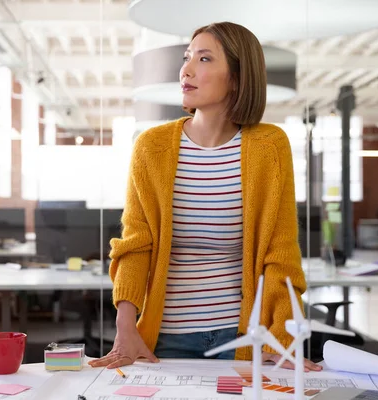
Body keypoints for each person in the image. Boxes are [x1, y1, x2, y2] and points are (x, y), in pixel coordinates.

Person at [89, 21, 321, 372]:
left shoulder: (269, 146)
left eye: (205, 58)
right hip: (166, 337)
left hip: (242, 336)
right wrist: (124, 326)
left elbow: (280, 251)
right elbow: (136, 245)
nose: (187, 69)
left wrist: (282, 336)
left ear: (238, 78)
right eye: (187, 57)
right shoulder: (151, 147)